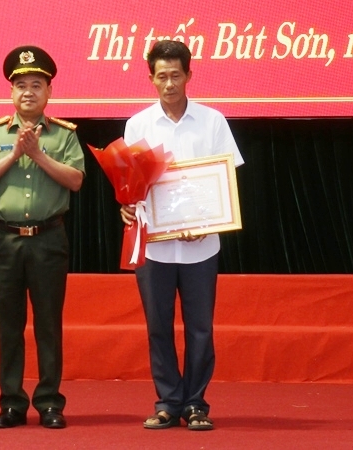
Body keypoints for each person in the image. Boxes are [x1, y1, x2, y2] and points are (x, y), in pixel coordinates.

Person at [120, 40, 243, 431]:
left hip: (201, 245)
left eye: (176, 75)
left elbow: (225, 181)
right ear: (151, 78)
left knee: (200, 327)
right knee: (158, 326)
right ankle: (167, 402)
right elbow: (131, 183)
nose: (169, 83)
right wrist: (126, 204)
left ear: (190, 75)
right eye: (161, 76)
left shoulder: (213, 121)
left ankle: (195, 403)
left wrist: (206, 221)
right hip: (155, 244)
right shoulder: (138, 124)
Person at [0, 45, 85, 429]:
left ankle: (51, 403)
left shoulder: (65, 135)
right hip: (3, 241)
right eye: (20, 85)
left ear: (49, 91)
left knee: (48, 325)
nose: (28, 92)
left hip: (48, 239)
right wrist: (12, 155)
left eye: (36, 85)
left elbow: (76, 180)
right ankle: (11, 403)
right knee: (9, 326)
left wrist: (37, 154)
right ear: (10, 92)